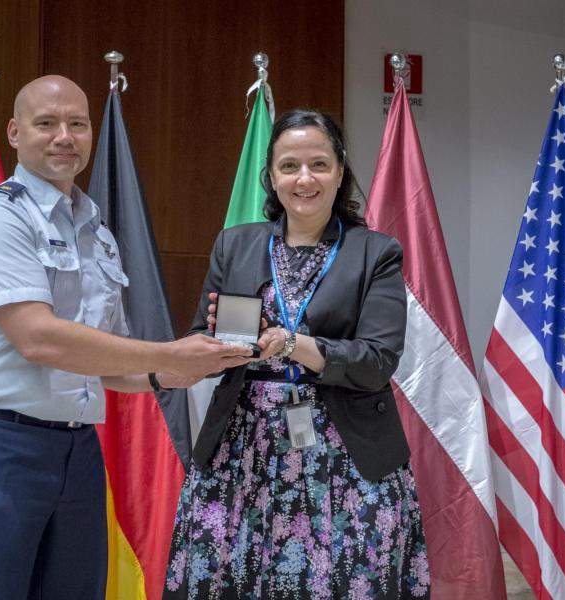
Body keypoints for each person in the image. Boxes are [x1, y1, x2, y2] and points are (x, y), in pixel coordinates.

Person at [0, 75, 252, 600]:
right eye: (47, 123)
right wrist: (167, 352)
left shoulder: (96, 229)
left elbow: (105, 357)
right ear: (14, 132)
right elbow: (39, 339)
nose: (65, 136)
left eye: (77, 124)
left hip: (76, 447)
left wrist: (176, 370)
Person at [164, 109, 430, 599]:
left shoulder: (377, 252)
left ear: (340, 171)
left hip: (345, 456)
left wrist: (290, 343)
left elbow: (376, 361)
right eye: (289, 166)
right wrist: (222, 345)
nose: (304, 179)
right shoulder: (234, 245)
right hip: (239, 452)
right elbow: (202, 333)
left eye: (319, 164)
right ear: (271, 176)